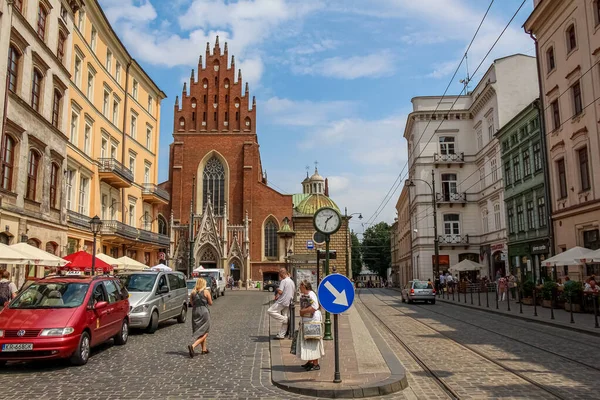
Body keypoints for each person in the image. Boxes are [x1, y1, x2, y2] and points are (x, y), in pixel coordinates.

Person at [297, 280, 324, 371]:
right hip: (307, 321)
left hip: (313, 322)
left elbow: (315, 307)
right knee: (308, 341)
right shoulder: (305, 295)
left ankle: (315, 364)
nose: (299, 288)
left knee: (312, 341)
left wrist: (303, 311)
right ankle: (310, 361)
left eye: (300, 287)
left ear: (304, 286)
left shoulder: (311, 294)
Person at [188, 278, 212, 358]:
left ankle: (204, 349)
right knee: (205, 332)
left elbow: (191, 303)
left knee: (201, 330)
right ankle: (193, 346)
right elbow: (210, 303)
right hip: (204, 311)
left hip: (195, 312)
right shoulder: (206, 291)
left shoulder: (193, 292)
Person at [268, 268, 295, 339]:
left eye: (280, 275)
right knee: (285, 315)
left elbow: (280, 291)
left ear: (283, 273)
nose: (280, 276)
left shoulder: (284, 281)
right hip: (289, 301)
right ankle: (281, 334)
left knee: (270, 311)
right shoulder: (292, 281)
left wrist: (277, 289)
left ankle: (285, 320)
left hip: (282, 301)